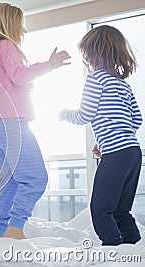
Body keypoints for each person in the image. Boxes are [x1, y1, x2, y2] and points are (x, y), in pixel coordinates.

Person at [0, 3, 71, 239]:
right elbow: (19, 75)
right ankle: (15, 228)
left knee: (11, 183)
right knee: (36, 178)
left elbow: (10, 84)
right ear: (8, 24)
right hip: (11, 124)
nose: (23, 32)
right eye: (21, 26)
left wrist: (26, 85)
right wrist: (50, 65)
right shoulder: (5, 45)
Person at [59, 25, 142, 246]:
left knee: (100, 209)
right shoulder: (123, 85)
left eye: (85, 55)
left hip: (116, 153)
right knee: (121, 210)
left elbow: (85, 114)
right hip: (133, 152)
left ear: (93, 55)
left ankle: (112, 249)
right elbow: (137, 120)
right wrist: (106, 140)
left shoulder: (95, 79)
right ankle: (134, 247)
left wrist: (65, 114)